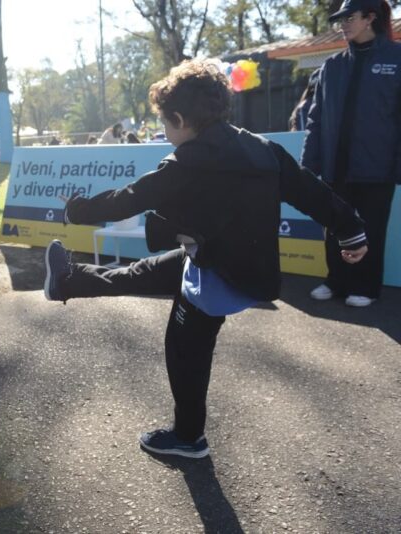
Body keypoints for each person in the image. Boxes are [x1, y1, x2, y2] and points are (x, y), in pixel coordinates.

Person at [42, 59, 368, 459]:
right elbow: (310, 191)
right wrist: (350, 228)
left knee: (185, 353)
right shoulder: (262, 148)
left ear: (180, 118)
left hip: (220, 275)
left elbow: (132, 197)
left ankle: (188, 437)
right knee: (143, 273)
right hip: (240, 265)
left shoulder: (187, 161)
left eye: (165, 122)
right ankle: (67, 280)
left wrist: (76, 210)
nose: (165, 132)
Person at [301, 0, 399, 307]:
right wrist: (309, 164)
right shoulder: (332, 65)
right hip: (335, 168)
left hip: (376, 167)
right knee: (334, 227)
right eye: (340, 20)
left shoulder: (396, 59)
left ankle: (366, 287)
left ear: (370, 18)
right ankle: (336, 280)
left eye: (349, 18)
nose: (342, 24)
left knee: (370, 229)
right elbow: (315, 119)